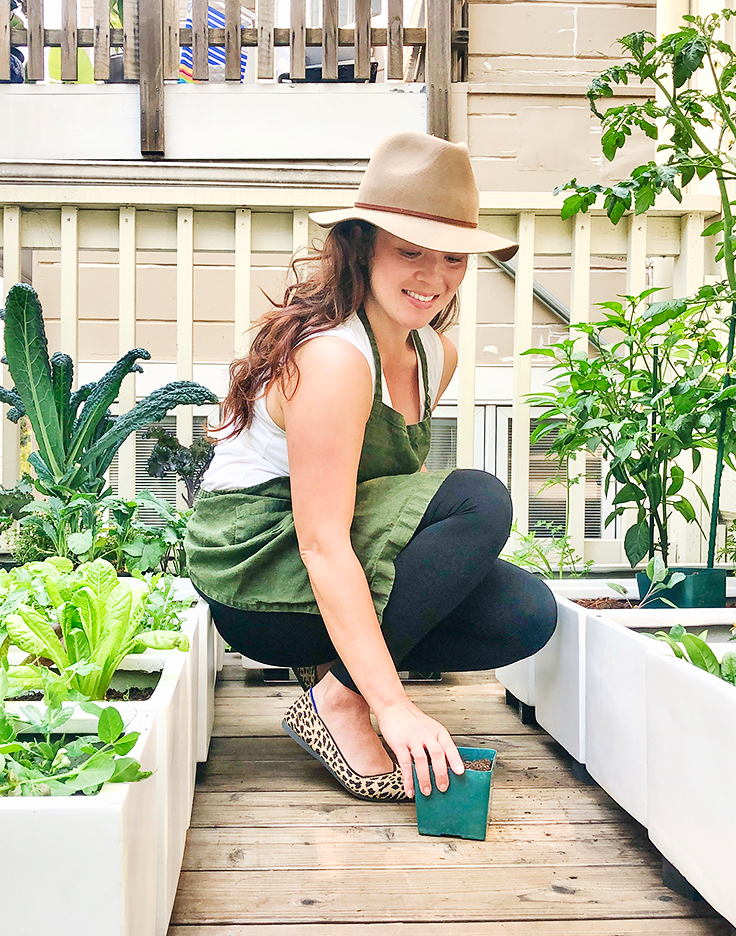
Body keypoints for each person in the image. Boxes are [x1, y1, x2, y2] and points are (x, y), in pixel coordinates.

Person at [186, 131, 557, 803]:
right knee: (480, 499)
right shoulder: (333, 358)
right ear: (362, 248)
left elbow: (375, 495)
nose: (433, 277)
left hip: (329, 541)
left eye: (452, 257)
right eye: (409, 251)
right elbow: (322, 542)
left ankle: (331, 676)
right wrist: (391, 705)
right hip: (258, 568)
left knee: (523, 614)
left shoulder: (434, 355)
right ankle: (342, 703)